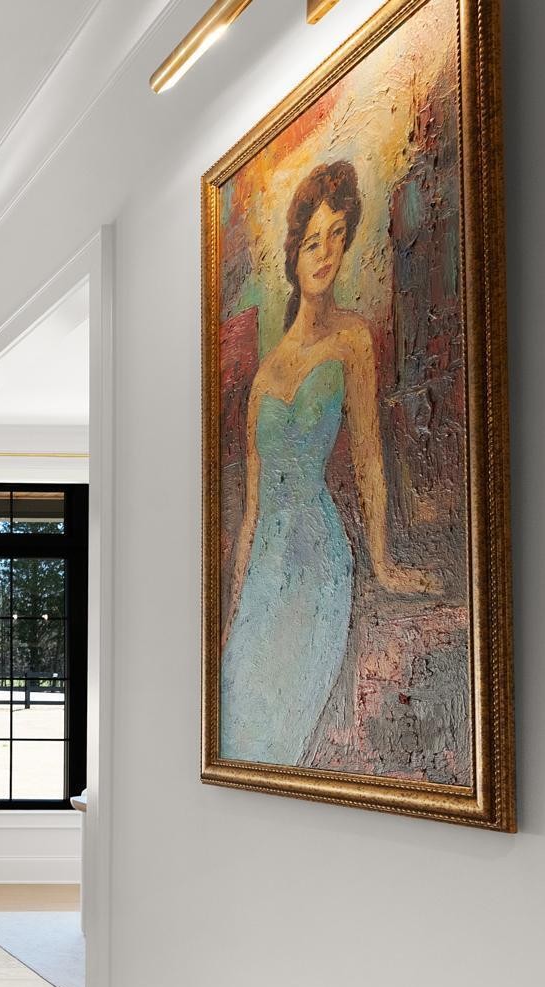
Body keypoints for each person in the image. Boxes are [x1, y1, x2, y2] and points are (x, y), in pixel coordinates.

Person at [221, 160, 440, 766]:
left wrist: (384, 564)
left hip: (318, 560)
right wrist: (231, 608)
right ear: (294, 255)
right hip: (264, 569)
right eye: (313, 241)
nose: (325, 254)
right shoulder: (264, 376)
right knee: (236, 719)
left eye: (337, 237)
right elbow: (252, 511)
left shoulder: (352, 340)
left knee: (282, 732)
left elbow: (369, 459)